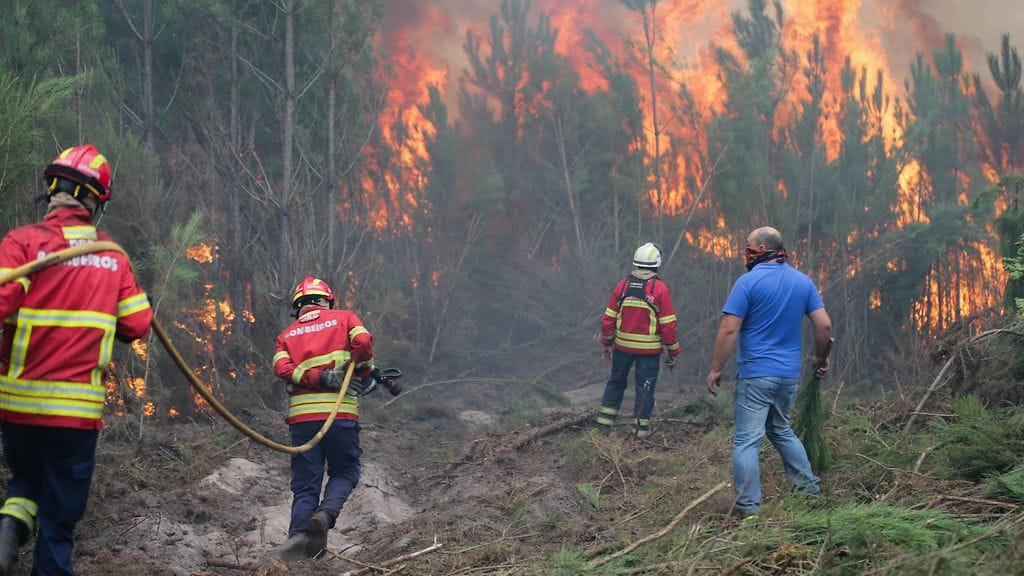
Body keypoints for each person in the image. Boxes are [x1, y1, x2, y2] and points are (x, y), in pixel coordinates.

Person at [0, 144, 154, 575]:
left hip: (18, 408)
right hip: (74, 416)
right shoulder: (113, 256)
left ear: (52, 189)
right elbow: (138, 325)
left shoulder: (21, 243)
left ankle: (10, 525)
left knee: (26, 481)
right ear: (93, 201)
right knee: (58, 520)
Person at [705, 226, 832, 519]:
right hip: (788, 376)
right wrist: (819, 357)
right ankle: (808, 489)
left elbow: (729, 329)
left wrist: (716, 369)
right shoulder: (803, 282)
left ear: (761, 248)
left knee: (747, 440)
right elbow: (824, 325)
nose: (745, 253)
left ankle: (749, 508)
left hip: (756, 374)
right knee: (780, 429)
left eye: (748, 247)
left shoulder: (747, 283)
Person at [272, 277, 374, 561]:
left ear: (298, 307)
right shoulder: (345, 318)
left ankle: (299, 546)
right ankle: (326, 515)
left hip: (303, 420)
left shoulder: (287, 334)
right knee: (346, 471)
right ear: (327, 300)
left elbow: (281, 368)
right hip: (339, 415)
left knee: (306, 485)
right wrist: (361, 373)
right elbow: (363, 342)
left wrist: (318, 377)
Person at [598, 242, 681, 438]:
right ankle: (640, 434)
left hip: (622, 349)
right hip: (649, 353)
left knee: (615, 383)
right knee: (645, 389)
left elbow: (608, 318)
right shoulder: (660, 289)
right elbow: (667, 324)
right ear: (657, 264)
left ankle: (603, 427)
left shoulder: (623, 285)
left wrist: (607, 344)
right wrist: (673, 350)